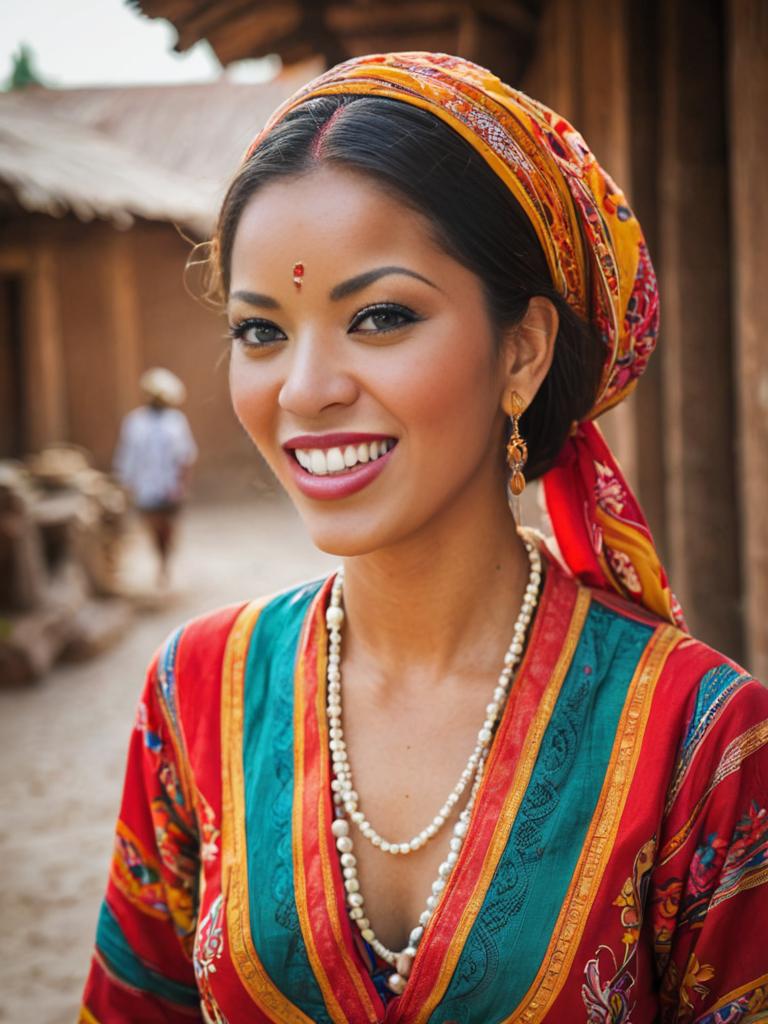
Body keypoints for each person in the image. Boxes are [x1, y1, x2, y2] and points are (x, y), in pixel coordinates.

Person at [80, 53, 768, 1023]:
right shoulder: (195, 697)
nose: (305, 389)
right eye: (261, 331)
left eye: (381, 316)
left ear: (522, 349)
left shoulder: (703, 741)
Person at [113, 367, 197, 587]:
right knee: (152, 526)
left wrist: (182, 486)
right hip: (145, 487)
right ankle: (160, 561)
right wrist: (125, 483)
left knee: (168, 528)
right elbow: (128, 454)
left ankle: (165, 563)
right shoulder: (135, 421)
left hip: (169, 486)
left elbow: (185, 456)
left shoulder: (176, 421)